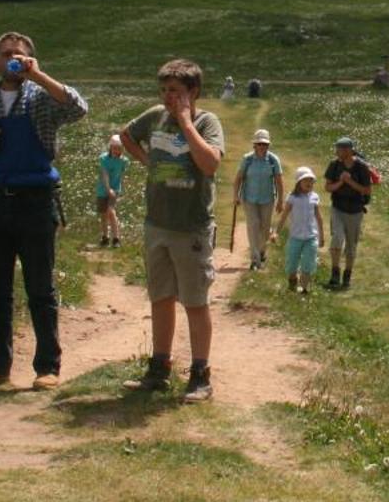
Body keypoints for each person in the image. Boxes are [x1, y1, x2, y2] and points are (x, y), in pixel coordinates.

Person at [0, 31, 89, 390]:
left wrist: (38, 75)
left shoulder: (42, 99)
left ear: (30, 59)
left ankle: (48, 368)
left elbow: (78, 108)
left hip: (35, 203)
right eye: (6, 54)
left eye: (19, 54)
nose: (12, 59)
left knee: (40, 289)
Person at [119, 59, 226, 403]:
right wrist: (146, 160)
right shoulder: (153, 117)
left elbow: (210, 163)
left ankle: (200, 374)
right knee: (160, 298)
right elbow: (125, 135)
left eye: (175, 91)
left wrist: (184, 121)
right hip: (157, 224)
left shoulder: (207, 122)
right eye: (163, 90)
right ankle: (159, 368)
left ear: (193, 92)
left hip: (191, 226)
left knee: (195, 302)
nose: (167, 97)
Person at [322, 136, 374, 291]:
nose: (337, 151)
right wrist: (341, 182)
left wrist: (350, 181)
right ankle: (335, 273)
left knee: (351, 246)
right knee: (337, 238)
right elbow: (328, 187)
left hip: (356, 211)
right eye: (337, 148)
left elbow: (367, 190)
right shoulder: (334, 165)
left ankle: (347, 275)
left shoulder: (362, 167)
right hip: (338, 208)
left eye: (339, 149)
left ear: (348, 150)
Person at [233, 127, 284, 272]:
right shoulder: (247, 159)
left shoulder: (273, 160)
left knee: (265, 228)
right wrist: (235, 196)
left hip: (267, 199)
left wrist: (280, 201)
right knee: (253, 225)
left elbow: (279, 181)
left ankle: (262, 251)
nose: (262, 146)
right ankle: (255, 260)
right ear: (254, 144)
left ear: (268, 145)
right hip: (249, 199)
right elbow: (238, 179)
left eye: (265, 144)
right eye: (259, 144)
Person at [279, 167, 325, 295]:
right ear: (299, 182)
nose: (309, 183)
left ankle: (304, 288)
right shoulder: (292, 198)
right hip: (295, 237)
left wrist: (321, 236)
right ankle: (292, 281)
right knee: (292, 265)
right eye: (306, 181)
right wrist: (276, 232)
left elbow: (319, 218)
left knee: (308, 263)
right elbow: (284, 216)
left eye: (311, 181)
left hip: (311, 237)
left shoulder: (314, 197)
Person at [95, 134, 128, 247]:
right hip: (102, 189)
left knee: (111, 211)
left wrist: (117, 189)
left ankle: (116, 238)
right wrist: (108, 189)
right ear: (111, 147)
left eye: (119, 148)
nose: (117, 150)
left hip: (115, 190)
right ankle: (105, 237)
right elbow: (104, 175)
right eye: (115, 148)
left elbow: (121, 175)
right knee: (103, 215)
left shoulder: (124, 161)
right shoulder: (103, 158)